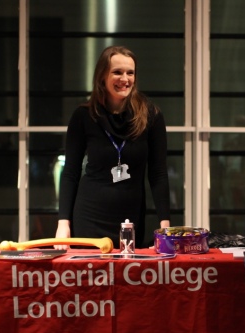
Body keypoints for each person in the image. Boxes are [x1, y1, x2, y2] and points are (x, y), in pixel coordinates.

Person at [55, 46, 171, 249]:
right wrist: (63, 223)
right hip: (89, 216)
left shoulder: (150, 115)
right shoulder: (84, 116)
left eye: (130, 73)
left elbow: (158, 173)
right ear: (102, 76)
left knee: (127, 278)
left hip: (130, 218)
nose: (124, 79)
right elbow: (71, 172)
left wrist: (165, 225)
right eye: (117, 72)